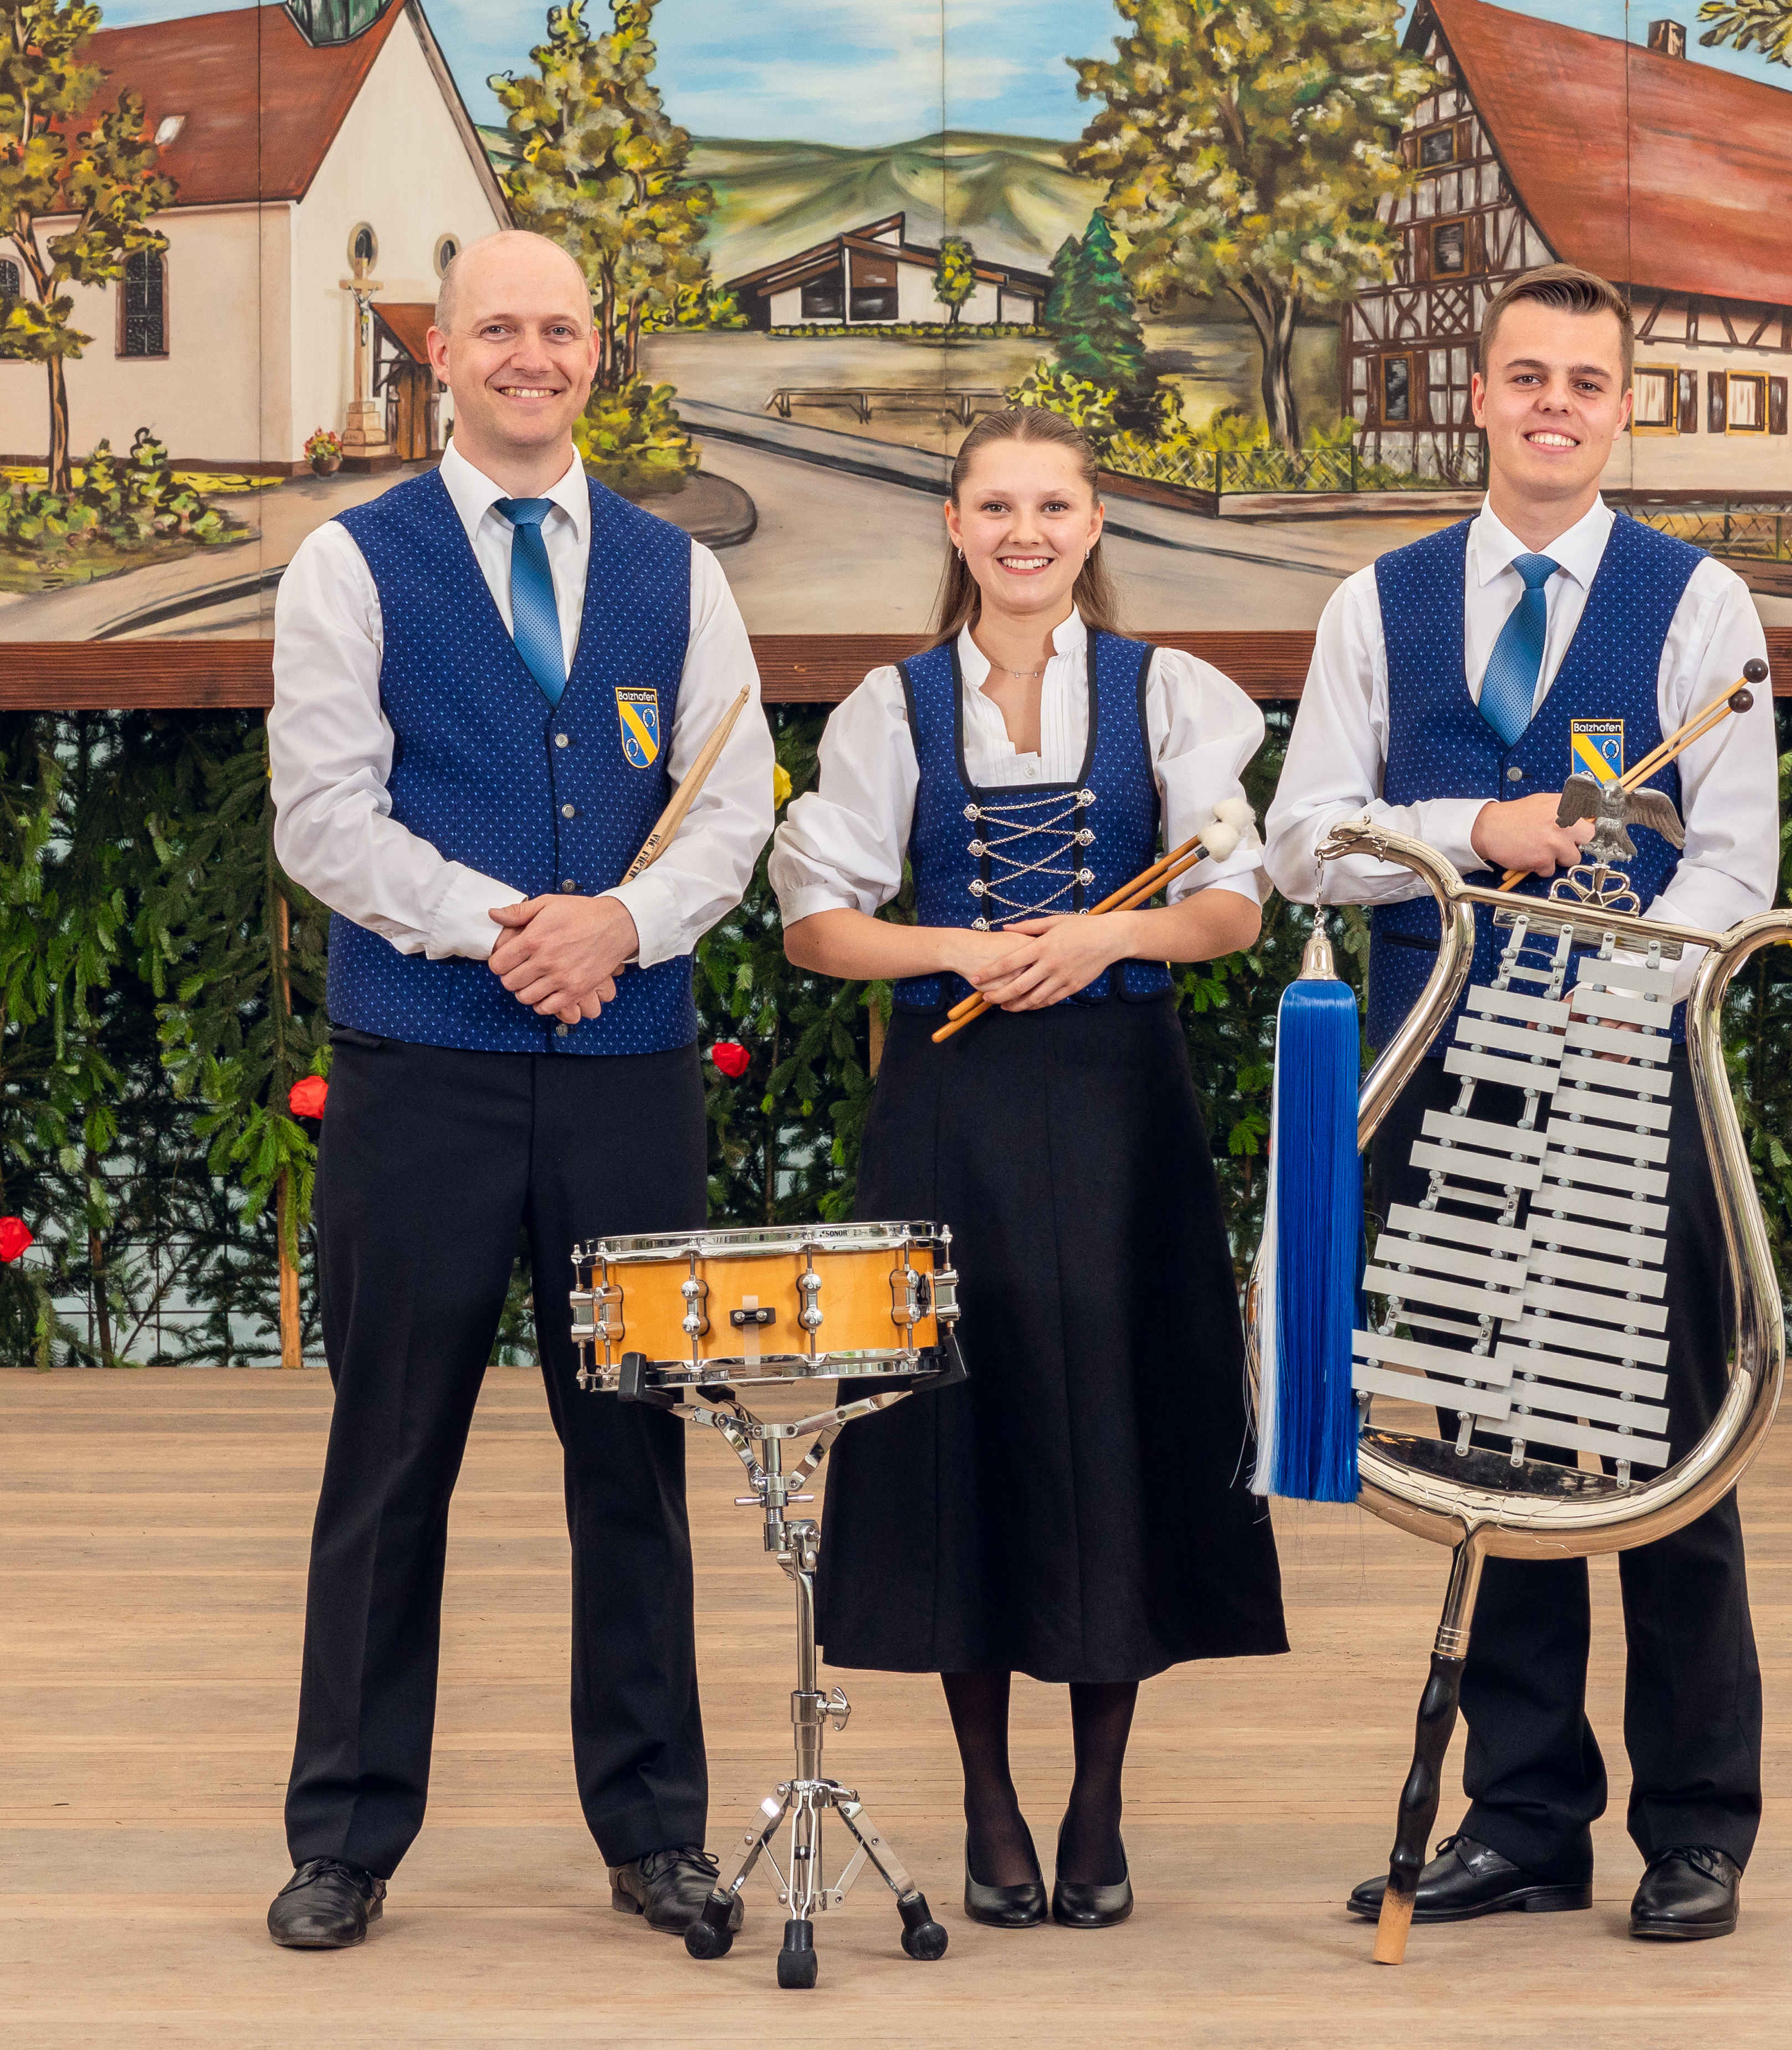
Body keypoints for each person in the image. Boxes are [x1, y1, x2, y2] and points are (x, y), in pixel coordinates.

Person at [262, 228, 776, 1951]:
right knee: (390, 1453)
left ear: (597, 352)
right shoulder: (350, 565)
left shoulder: (676, 575)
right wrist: (510, 928)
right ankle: (344, 1838)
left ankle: (655, 1832)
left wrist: (621, 923)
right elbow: (322, 814)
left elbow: (733, 799)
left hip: (628, 1076)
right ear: (442, 352)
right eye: (498, 328)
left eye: (558, 328)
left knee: (632, 1460)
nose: (529, 355)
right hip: (424, 1072)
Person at [1264, 262, 1780, 1946]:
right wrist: (1470, 833)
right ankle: (1526, 1818)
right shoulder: (1379, 603)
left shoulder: (1700, 605)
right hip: (1441, 1078)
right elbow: (1300, 842)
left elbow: (1736, 864)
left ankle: (1697, 1824)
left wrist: (1623, 1008)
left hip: (1630, 1080)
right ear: (1479, 396)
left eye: (1587, 382)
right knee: (1492, 1442)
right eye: (1529, 377)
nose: (1556, 405)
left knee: (1672, 1448)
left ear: (1622, 410)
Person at [772, 406, 1289, 1935]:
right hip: (955, 1111)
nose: (1025, 532)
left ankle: (1098, 1802)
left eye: (1052, 506)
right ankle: (989, 1801)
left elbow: (1232, 910)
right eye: (996, 506)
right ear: (953, 526)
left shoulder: (1168, 694)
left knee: (1118, 1427)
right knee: (964, 1436)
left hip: (1123, 1103)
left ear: (1093, 524)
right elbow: (817, 927)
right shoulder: (892, 707)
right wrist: (958, 948)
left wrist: (1102, 933)